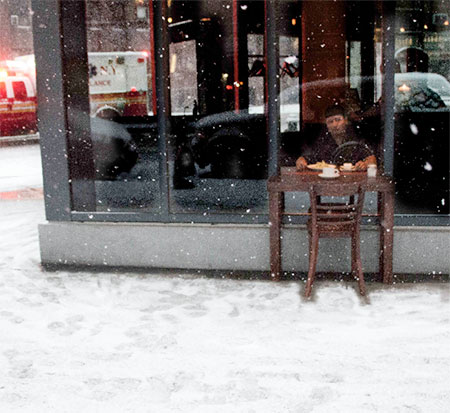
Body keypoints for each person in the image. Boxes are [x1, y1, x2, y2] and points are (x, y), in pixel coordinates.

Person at [295, 105, 377, 171]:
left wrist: (365, 164)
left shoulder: (356, 138)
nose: (334, 125)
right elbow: (310, 157)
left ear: (346, 121)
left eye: (338, 120)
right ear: (327, 126)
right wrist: (301, 160)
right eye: (330, 122)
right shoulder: (322, 141)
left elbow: (372, 159)